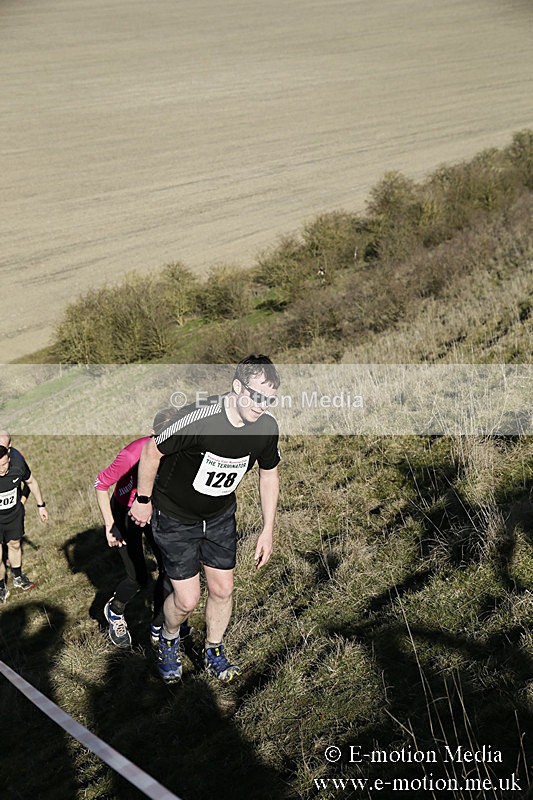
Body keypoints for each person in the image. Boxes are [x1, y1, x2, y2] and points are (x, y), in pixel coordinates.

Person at [129, 354, 281, 683]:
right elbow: (152, 451)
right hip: (175, 517)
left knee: (223, 589)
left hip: (219, 517)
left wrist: (267, 529)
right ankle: (169, 639)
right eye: (256, 396)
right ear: (237, 387)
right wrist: (142, 500)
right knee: (187, 600)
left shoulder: (266, 428)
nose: (261, 405)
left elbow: (269, 474)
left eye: (269, 399)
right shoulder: (200, 417)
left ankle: (213, 650)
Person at [94, 410, 190, 648]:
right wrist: (111, 524)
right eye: (163, 437)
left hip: (156, 509)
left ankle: (160, 624)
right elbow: (101, 483)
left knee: (170, 569)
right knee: (138, 577)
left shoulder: (180, 449)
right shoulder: (132, 453)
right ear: (153, 433)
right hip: (126, 513)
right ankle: (115, 611)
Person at [0, 443, 48, 603]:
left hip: (14, 516)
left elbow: (31, 482)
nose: (2, 469)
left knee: (15, 545)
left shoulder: (17, 467)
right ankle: (1, 587)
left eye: (4, 464)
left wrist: (40, 506)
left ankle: (18, 577)